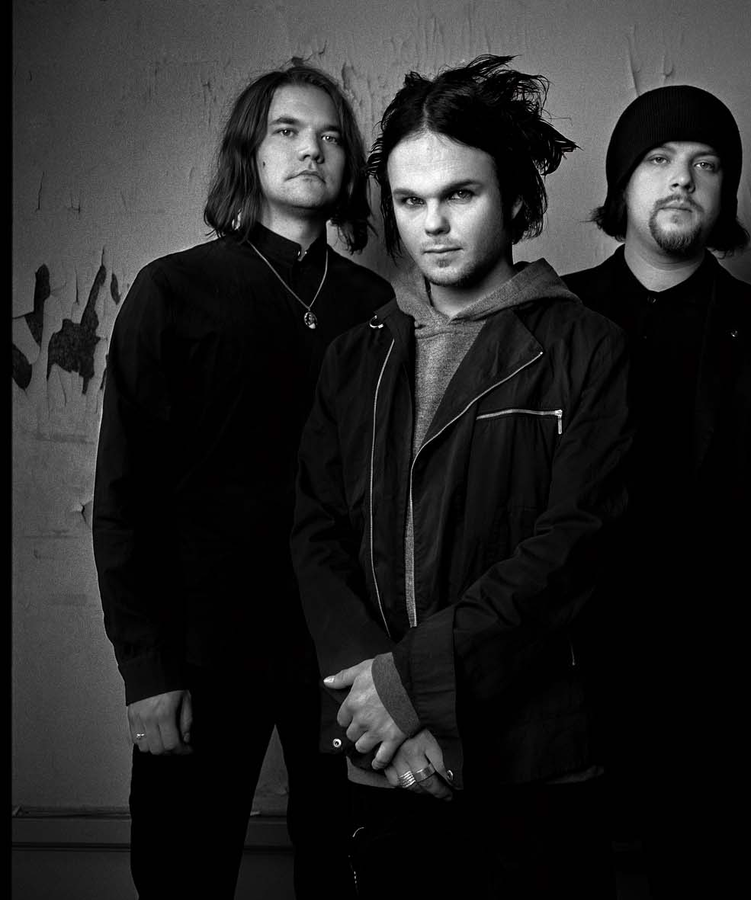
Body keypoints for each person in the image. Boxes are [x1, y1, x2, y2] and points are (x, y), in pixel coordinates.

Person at [290, 54, 632, 897]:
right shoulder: (356, 357)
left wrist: (413, 685)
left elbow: (574, 548)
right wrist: (383, 707)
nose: (434, 224)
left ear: (513, 198)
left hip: (535, 761)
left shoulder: (587, 347)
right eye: (410, 202)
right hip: (384, 755)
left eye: (460, 195)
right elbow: (316, 536)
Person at [92, 62, 394, 898]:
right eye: (287, 131)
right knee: (183, 875)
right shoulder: (173, 290)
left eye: (331, 137)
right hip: (202, 652)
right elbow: (124, 497)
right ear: (249, 152)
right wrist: (148, 671)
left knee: (346, 872)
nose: (312, 150)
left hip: (341, 653)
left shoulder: (376, 305)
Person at [562, 84, 751, 895]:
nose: (683, 178)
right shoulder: (553, 317)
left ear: (726, 191)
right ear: (622, 183)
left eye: (707, 164)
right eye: (659, 158)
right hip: (567, 682)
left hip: (717, 694)